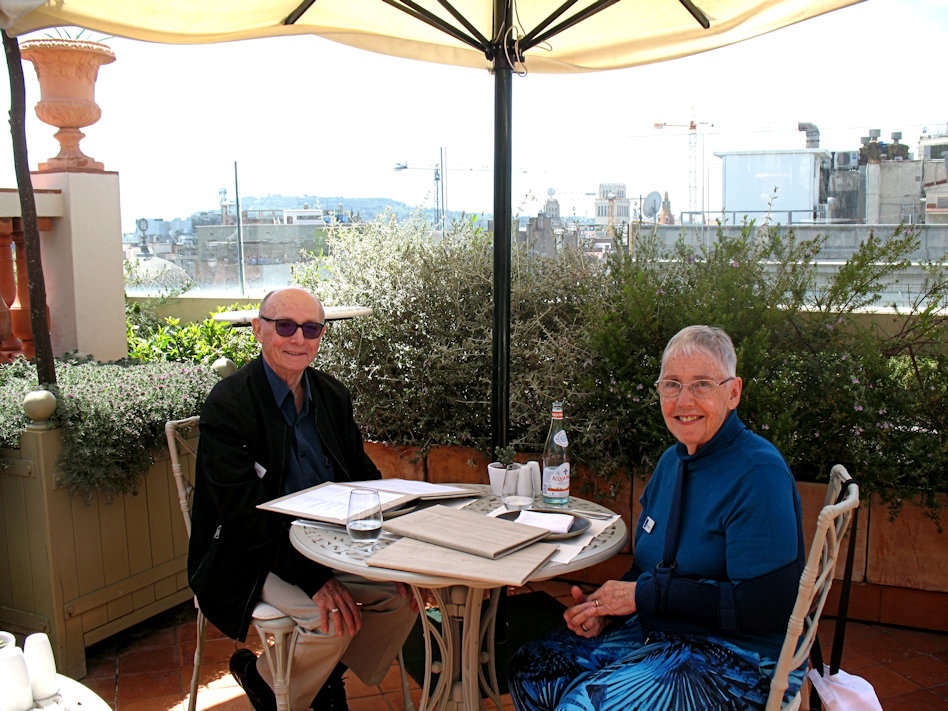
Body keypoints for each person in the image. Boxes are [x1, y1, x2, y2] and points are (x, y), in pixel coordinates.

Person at [509, 325, 806, 710]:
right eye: (672, 385)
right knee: (532, 670)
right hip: (661, 632)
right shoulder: (673, 461)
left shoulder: (757, 473)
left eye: (702, 384)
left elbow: (769, 604)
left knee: (583, 705)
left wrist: (643, 596)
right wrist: (605, 611)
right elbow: (650, 568)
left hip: (741, 657)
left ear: (733, 392)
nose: (684, 400)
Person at [187, 287, 417, 711]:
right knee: (331, 623)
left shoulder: (331, 395)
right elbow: (241, 515)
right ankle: (293, 691)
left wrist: (394, 530)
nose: (298, 339)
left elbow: (359, 472)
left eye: (310, 328)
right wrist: (314, 581)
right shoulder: (230, 405)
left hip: (327, 541)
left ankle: (279, 678)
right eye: (285, 326)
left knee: (402, 599)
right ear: (258, 330)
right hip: (249, 552)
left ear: (321, 336)